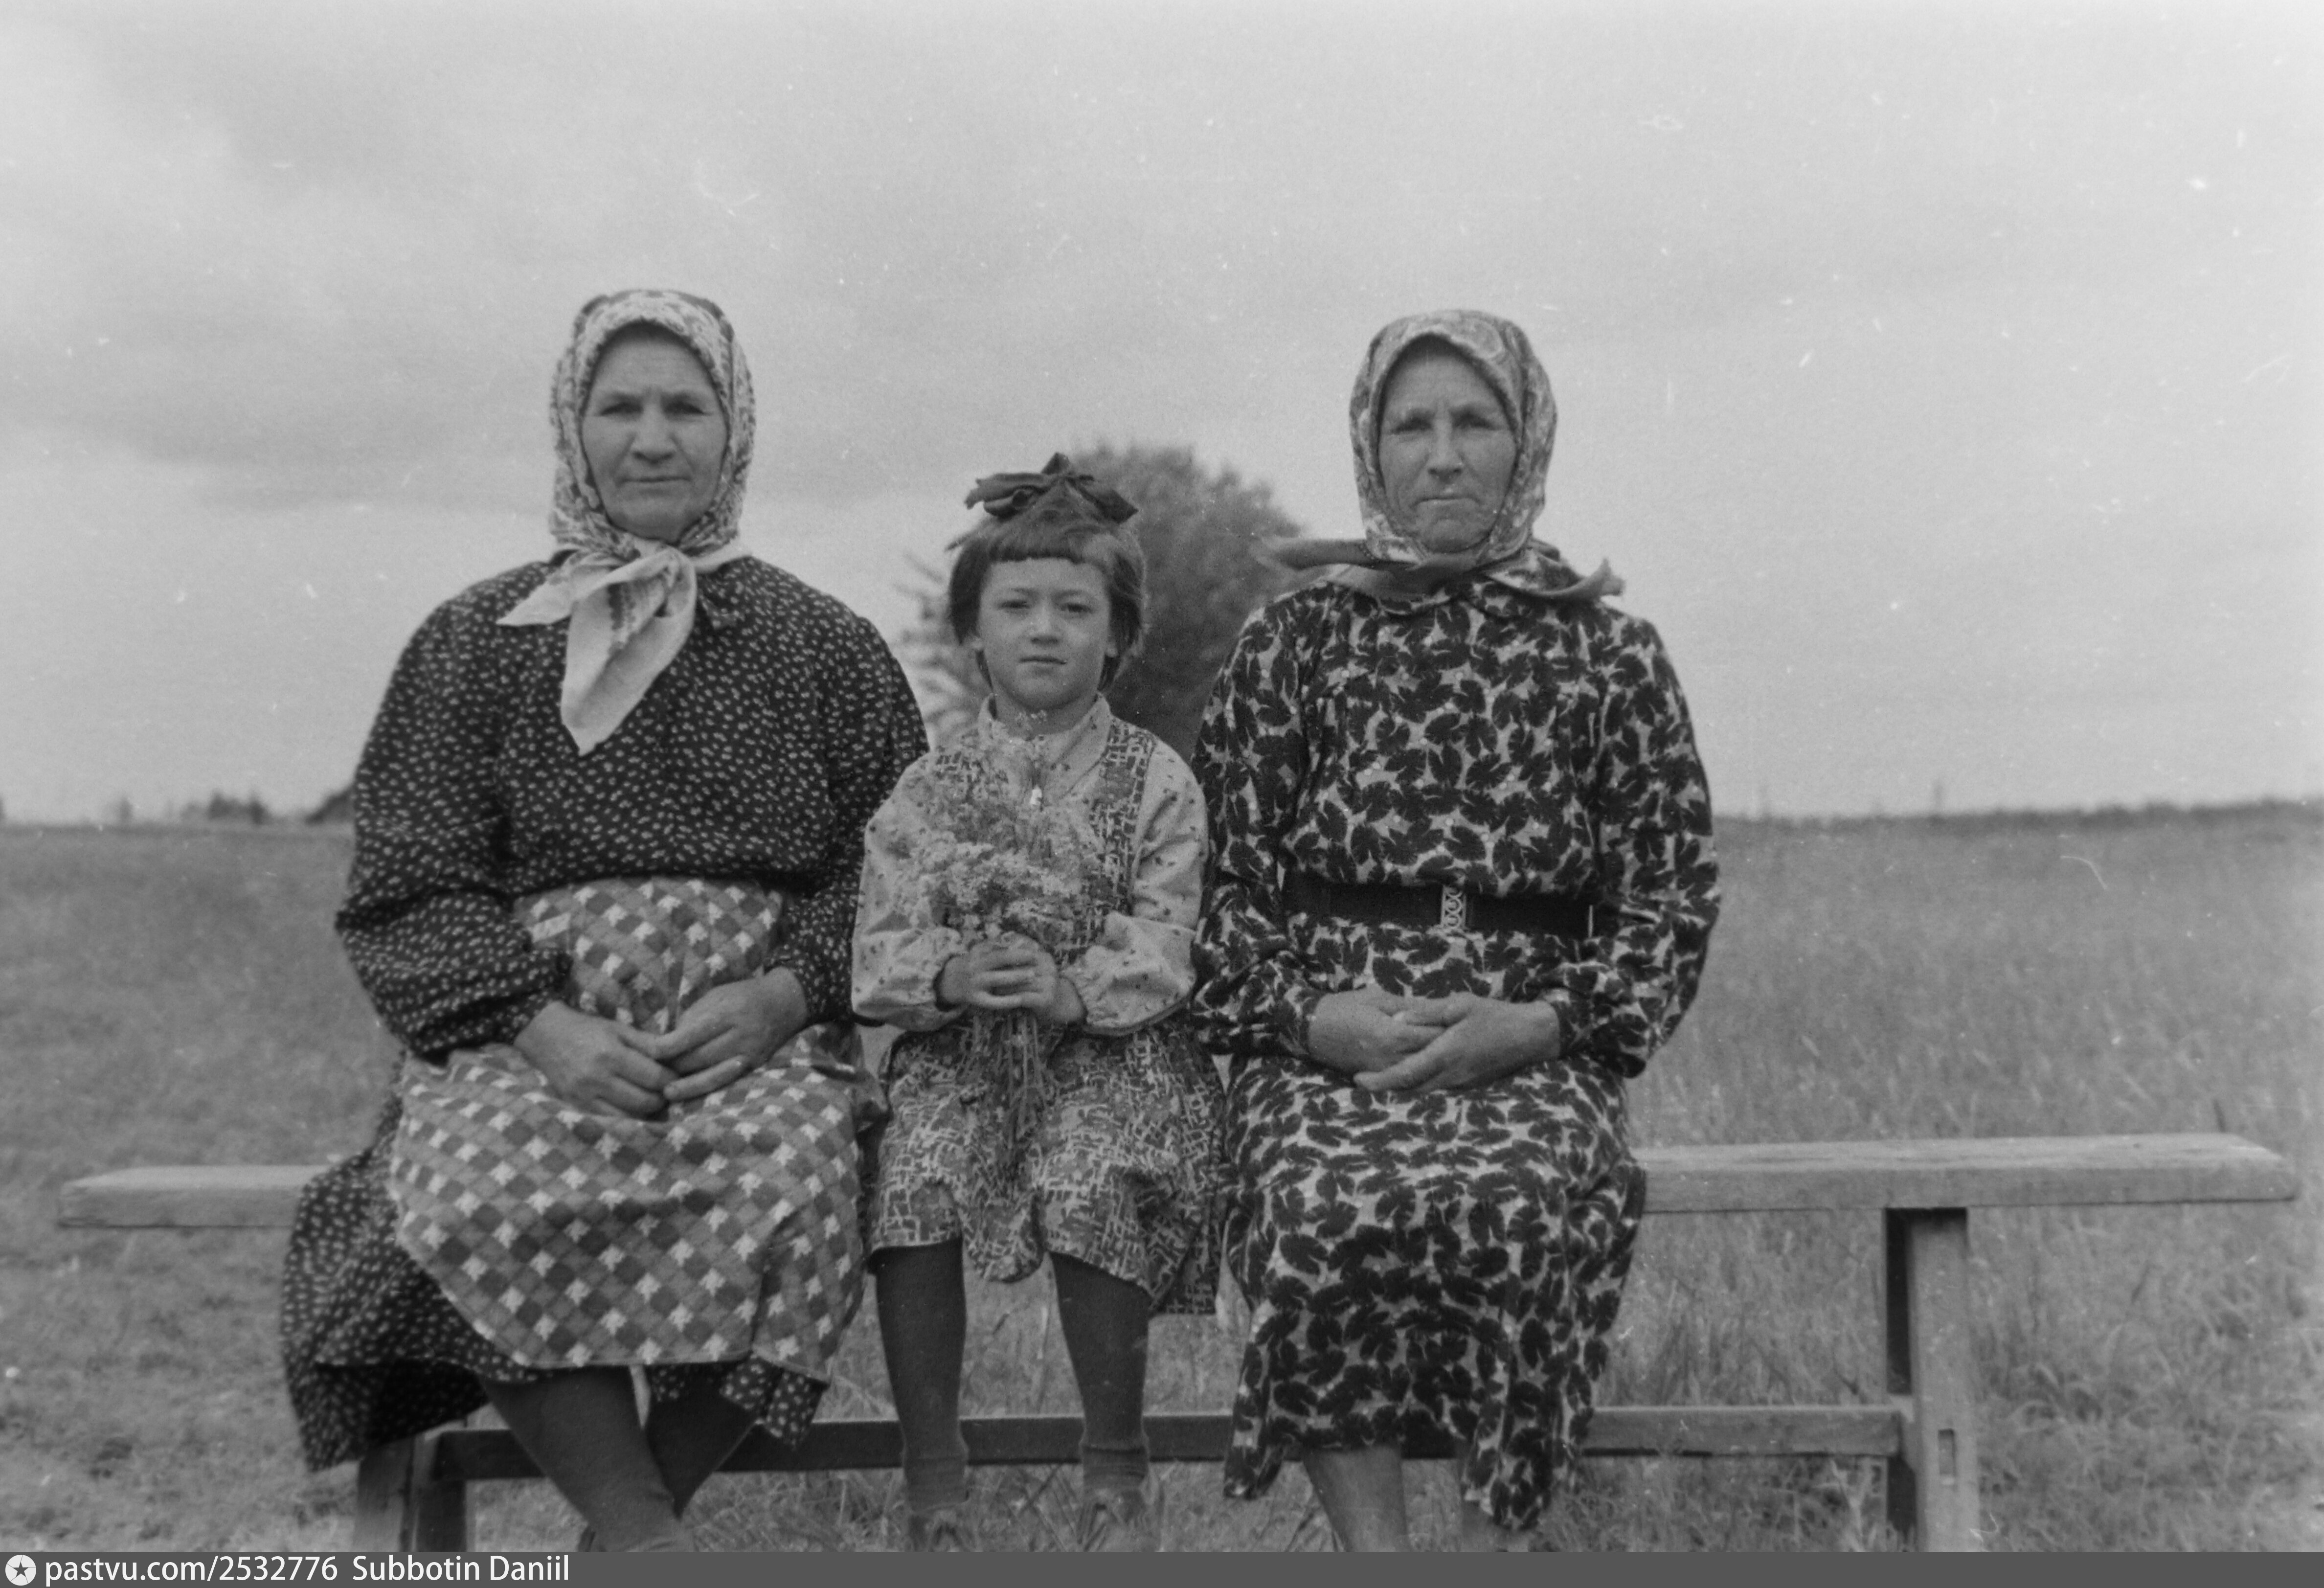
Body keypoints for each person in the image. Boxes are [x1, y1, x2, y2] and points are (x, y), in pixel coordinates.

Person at [279, 289, 926, 1551]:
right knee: (471, 1190)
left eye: (687, 407)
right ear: (572, 428)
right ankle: (642, 1537)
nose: (652, 438)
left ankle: (625, 1536)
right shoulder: (474, 641)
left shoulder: (826, 646)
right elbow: (411, 879)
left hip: (752, 1049)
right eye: (619, 406)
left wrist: (787, 992)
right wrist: (540, 1027)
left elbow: (901, 867)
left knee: (809, 1184)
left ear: (735, 431)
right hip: (529, 1049)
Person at [1192, 310, 1720, 1550]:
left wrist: (1542, 1025)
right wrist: (1311, 1019)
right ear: (1369, 447)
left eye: (1474, 423)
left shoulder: (1610, 652)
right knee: (1315, 1203)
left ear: (1525, 442)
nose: (1441, 456)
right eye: (1411, 425)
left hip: (1530, 1039)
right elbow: (1219, 880)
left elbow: (1669, 896)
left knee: (1532, 1204)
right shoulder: (1294, 641)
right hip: (1331, 1039)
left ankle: (1494, 1550)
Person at [852, 457, 1223, 1551]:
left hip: (1116, 1053)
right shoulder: (926, 789)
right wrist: (948, 976)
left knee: (1087, 1169)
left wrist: (1074, 987)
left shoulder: (1158, 780)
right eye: (1016, 606)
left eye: (1076, 608)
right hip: (961, 1058)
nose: (1046, 630)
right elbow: (879, 943)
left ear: (1120, 634)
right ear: (973, 630)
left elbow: (1169, 934)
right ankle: (934, 1485)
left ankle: (1116, 1472)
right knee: (910, 1175)